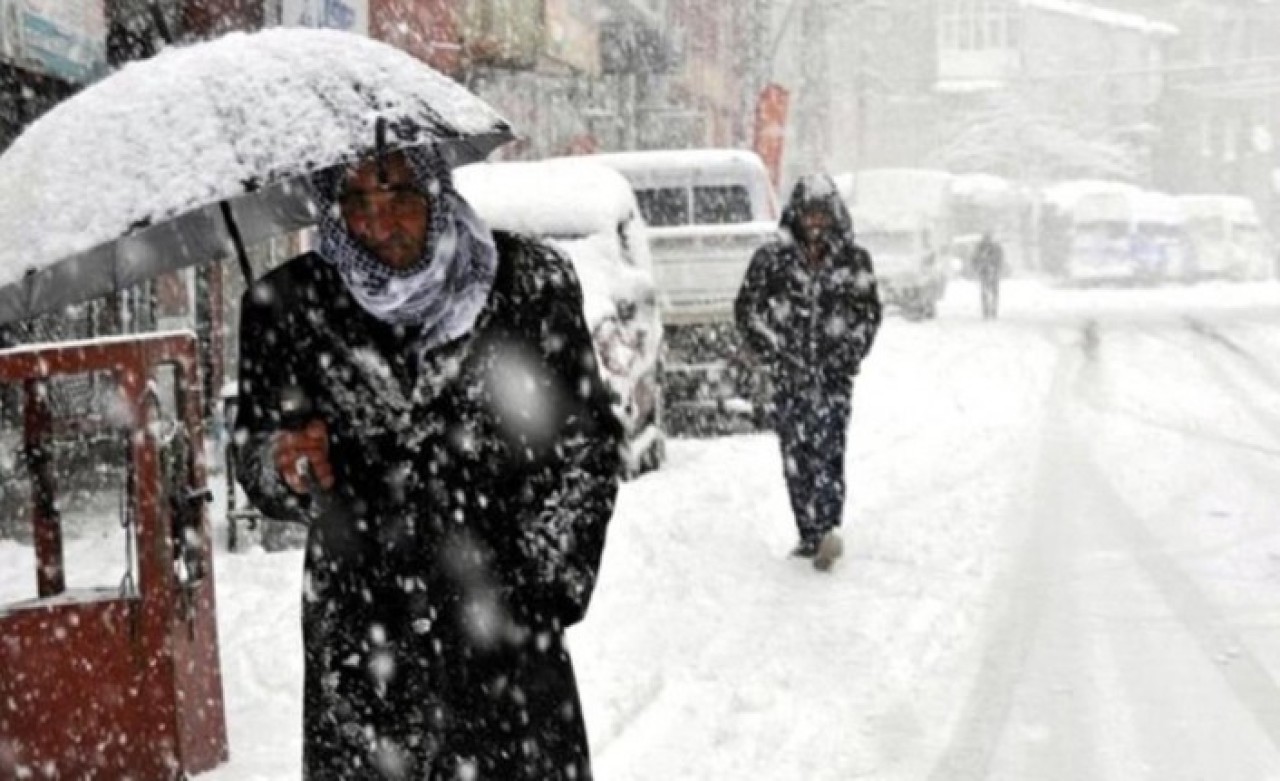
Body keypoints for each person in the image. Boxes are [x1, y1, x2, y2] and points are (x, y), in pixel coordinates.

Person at [234, 145, 623, 780]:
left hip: (506, 644)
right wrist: (281, 465)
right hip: (363, 647)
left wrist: (541, 594)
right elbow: (254, 458)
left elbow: (584, 448)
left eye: (399, 196)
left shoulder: (528, 284)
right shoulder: (286, 306)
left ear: (438, 191)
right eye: (354, 200)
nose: (377, 223)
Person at [734, 174, 882, 572]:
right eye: (809, 215)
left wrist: (849, 353)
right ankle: (808, 531)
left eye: (822, 215)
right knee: (796, 454)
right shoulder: (771, 261)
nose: (815, 223)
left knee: (829, 450)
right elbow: (747, 310)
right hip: (790, 379)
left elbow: (868, 315)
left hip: (834, 380)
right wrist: (774, 351)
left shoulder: (854, 261)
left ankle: (827, 527)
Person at [972, 232, 1005, 320]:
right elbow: (974, 259)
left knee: (991, 292)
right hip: (985, 272)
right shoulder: (980, 248)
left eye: (988, 239)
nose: (987, 240)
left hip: (991, 271)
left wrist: (996, 267)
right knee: (987, 292)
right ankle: (987, 310)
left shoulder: (986, 248)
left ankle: (991, 310)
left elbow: (1000, 259)